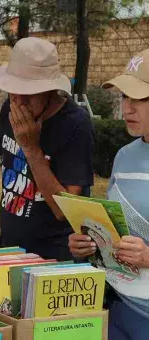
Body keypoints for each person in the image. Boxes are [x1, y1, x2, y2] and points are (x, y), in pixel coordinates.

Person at [0, 37, 94, 261]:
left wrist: (31, 148)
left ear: (50, 90)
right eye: (12, 90)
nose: (18, 100)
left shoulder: (75, 125)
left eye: (28, 93)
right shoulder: (9, 108)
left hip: (53, 258)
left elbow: (64, 210)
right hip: (9, 248)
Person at [69, 48, 149, 339]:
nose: (127, 108)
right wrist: (89, 244)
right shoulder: (124, 156)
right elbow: (115, 231)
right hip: (114, 311)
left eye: (139, 98)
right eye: (124, 97)